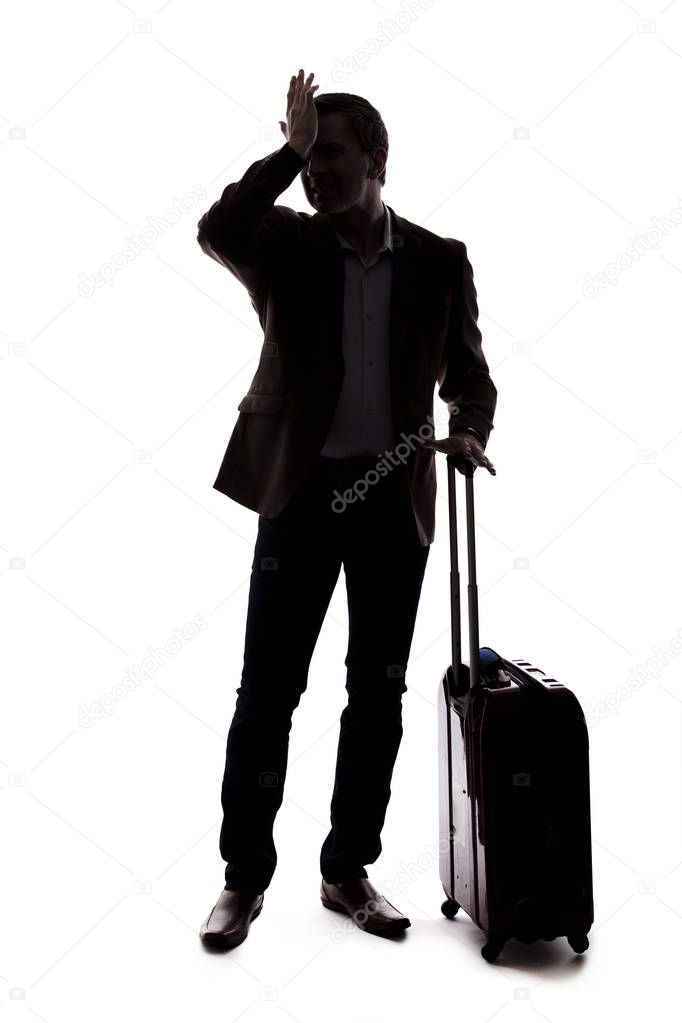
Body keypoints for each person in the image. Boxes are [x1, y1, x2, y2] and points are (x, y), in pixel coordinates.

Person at [197, 69, 497, 949]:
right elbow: (217, 230)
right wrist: (283, 155)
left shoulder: (440, 261)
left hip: (391, 495)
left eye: (330, 153)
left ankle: (346, 869)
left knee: (378, 693)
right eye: (308, 153)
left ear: (378, 159)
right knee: (268, 696)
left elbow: (469, 378)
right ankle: (243, 878)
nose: (317, 170)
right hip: (301, 495)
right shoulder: (287, 244)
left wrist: (470, 430)